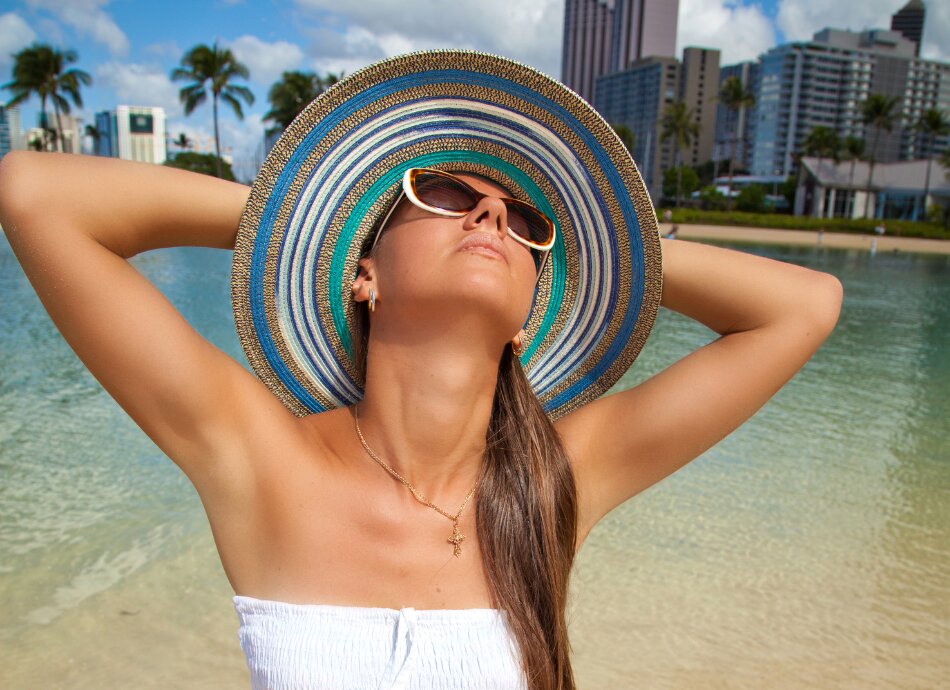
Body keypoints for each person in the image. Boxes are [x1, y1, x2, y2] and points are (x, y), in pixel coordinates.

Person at [0, 51, 842, 690]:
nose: (489, 211)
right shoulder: (265, 462)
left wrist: (601, 247)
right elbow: (36, 193)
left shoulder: (554, 484)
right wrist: (297, 218)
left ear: (528, 321)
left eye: (525, 222)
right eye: (441, 193)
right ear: (361, 271)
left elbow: (803, 306)